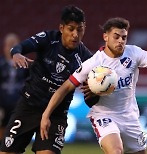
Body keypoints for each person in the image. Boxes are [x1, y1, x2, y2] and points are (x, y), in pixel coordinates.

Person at [40, 17, 147, 154]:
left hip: (130, 116)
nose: (120, 41)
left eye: (123, 37)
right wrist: (46, 115)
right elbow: (65, 88)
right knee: (115, 150)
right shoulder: (93, 63)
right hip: (104, 115)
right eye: (116, 36)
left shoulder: (134, 53)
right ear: (105, 37)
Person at [0, 5, 92, 154]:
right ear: (61, 28)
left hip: (57, 113)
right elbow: (20, 47)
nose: (75, 34)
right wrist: (16, 53)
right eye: (71, 29)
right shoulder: (48, 39)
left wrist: (94, 92)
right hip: (29, 106)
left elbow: (91, 99)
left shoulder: (86, 58)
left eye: (79, 29)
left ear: (84, 28)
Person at [0, 33, 28, 142]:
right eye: (9, 45)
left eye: (14, 44)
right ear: (4, 47)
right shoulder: (1, 64)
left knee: (16, 128)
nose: (11, 48)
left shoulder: (25, 64)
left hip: (18, 103)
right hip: (2, 103)